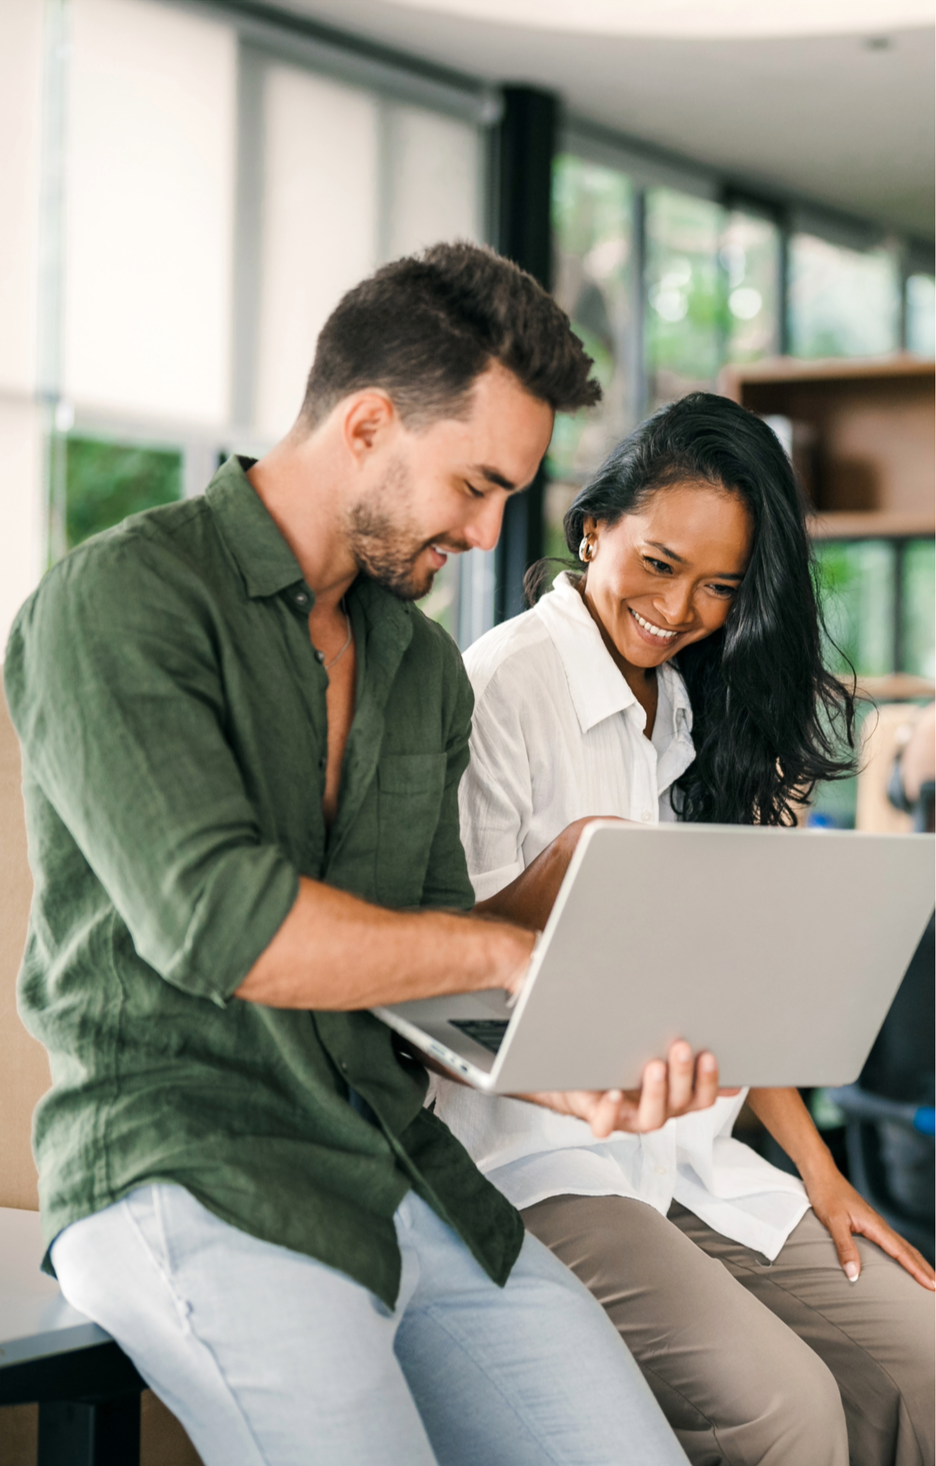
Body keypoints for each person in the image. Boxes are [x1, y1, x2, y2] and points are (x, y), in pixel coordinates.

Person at [3, 244, 723, 1466]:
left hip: (396, 1163)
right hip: (187, 1156)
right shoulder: (120, 599)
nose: (493, 532)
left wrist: (570, 1064)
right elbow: (218, 922)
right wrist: (507, 952)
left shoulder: (419, 663)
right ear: (369, 422)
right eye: (476, 484)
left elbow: (425, 960)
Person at [434, 393, 936, 1466]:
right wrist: (568, 866)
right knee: (785, 1404)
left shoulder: (696, 705)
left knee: (926, 1359)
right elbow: (443, 966)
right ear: (593, 528)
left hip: (699, 1162)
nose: (680, 607)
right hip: (543, 1160)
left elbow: (730, 989)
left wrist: (820, 1171)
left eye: (719, 587)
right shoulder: (503, 687)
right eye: (659, 563)